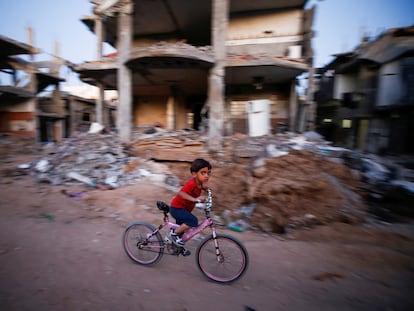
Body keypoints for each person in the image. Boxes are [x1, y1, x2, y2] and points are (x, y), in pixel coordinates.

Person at [167, 158, 212, 247]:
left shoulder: (199, 183)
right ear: (194, 174)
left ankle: (174, 245)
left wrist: (203, 188)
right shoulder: (191, 183)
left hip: (184, 210)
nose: (206, 175)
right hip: (177, 208)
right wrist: (195, 199)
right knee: (192, 221)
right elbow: (181, 193)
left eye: (208, 173)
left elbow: (196, 189)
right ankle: (172, 235)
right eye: (203, 173)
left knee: (181, 230)